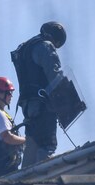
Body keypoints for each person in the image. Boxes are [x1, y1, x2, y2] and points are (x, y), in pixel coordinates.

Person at [11, 21, 67, 168]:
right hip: (44, 105)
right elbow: (55, 77)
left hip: (28, 107)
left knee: (32, 148)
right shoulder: (45, 46)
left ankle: (25, 183)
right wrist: (67, 102)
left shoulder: (25, 48)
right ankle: (44, 179)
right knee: (47, 145)